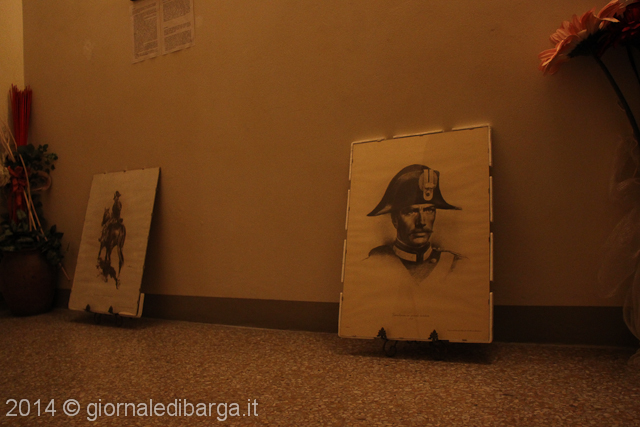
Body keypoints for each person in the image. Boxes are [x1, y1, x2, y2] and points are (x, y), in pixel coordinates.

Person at [366, 164, 464, 284]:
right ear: (395, 219)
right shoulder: (375, 264)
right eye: (411, 212)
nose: (421, 222)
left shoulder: (455, 264)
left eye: (429, 211)